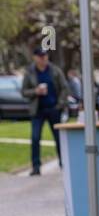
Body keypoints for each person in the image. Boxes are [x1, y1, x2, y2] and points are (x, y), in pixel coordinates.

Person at [21, 47, 68, 176]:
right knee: (35, 138)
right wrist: (35, 91)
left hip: (54, 109)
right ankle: (36, 166)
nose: (43, 59)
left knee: (58, 138)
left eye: (45, 56)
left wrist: (60, 104)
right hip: (38, 110)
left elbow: (64, 88)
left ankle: (63, 163)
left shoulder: (55, 70)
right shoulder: (30, 72)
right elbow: (24, 91)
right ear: (35, 58)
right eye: (40, 56)